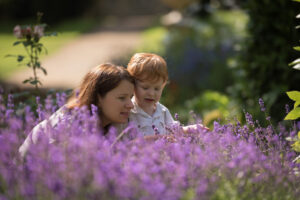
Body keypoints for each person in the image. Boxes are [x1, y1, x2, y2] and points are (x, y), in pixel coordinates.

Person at [19, 63, 135, 157]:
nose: (131, 105)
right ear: (98, 98)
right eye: (122, 98)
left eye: (130, 97)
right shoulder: (69, 127)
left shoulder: (110, 124)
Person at [125, 52, 208, 136]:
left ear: (163, 86)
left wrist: (190, 129)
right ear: (132, 85)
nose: (151, 93)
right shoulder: (129, 112)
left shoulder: (162, 111)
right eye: (145, 88)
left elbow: (174, 130)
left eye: (157, 89)